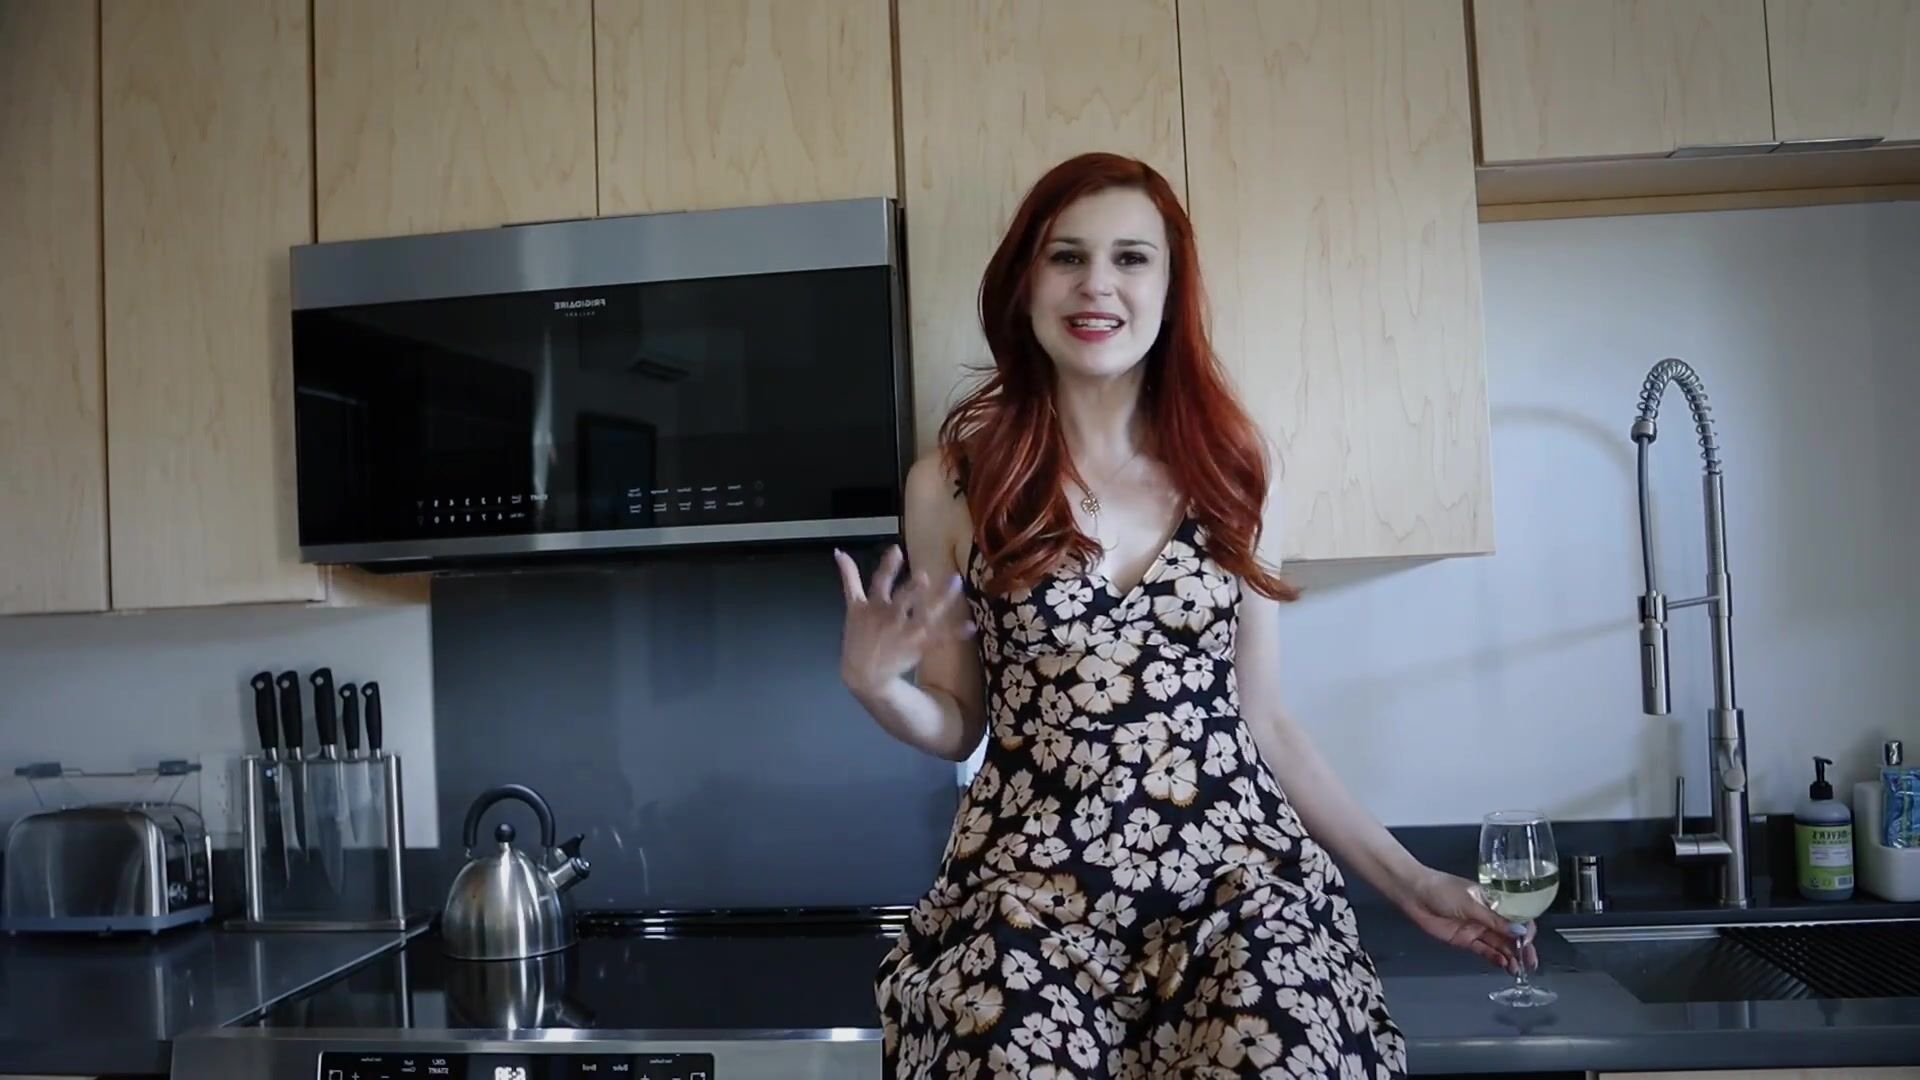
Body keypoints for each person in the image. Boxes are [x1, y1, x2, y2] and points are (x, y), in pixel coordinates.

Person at [833, 152, 1533, 1079]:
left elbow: (1265, 719)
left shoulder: (1237, 471)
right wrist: (877, 687)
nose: (1097, 285)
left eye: (1131, 258)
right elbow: (961, 718)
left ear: (1169, 290)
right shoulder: (953, 484)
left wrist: (1413, 882)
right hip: (1028, 896)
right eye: (1066, 257)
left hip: (1232, 887)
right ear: (1026, 284)